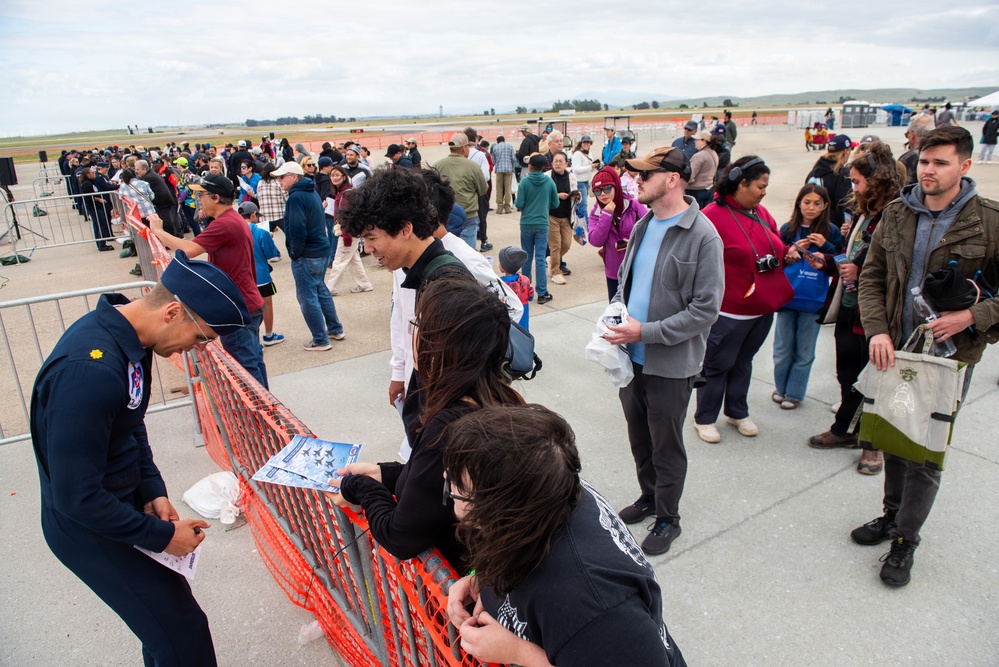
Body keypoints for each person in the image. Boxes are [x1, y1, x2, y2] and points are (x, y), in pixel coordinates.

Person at [30, 250, 250, 666]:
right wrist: (162, 537)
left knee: (170, 628)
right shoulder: (91, 369)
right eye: (200, 337)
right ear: (172, 312)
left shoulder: (129, 339)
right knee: (180, 634)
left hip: (118, 506)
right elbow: (76, 497)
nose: (194, 351)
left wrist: (151, 488)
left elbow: (130, 421)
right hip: (89, 529)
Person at [851, 125, 999, 586]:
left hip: (949, 357)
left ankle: (906, 539)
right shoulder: (898, 213)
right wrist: (877, 331)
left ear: (965, 166)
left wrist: (971, 316)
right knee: (895, 436)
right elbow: (873, 275)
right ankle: (891, 516)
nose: (928, 170)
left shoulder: (990, 221)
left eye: (940, 162)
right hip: (895, 349)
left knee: (925, 452)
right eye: (924, 161)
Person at [444, 405, 687, 667]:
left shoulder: (598, 609)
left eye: (458, 484)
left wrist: (519, 653)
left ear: (502, 508)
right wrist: (483, 580)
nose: (447, 480)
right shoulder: (554, 492)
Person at [329, 276, 524, 572]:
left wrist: (360, 487)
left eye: (417, 327)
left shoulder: (448, 428)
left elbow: (401, 536)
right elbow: (438, 489)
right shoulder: (504, 398)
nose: (413, 337)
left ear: (439, 347)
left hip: (466, 586)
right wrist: (386, 473)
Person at [603, 147, 723, 555]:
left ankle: (669, 517)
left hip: (670, 363)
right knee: (640, 436)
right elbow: (625, 281)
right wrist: (617, 316)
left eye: (644, 175)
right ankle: (649, 496)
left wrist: (646, 332)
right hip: (630, 357)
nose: (634, 181)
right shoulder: (645, 223)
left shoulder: (703, 236)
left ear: (672, 179)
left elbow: (705, 310)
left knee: (666, 442)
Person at [805, 141, 905, 476]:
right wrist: (830, 262)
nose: (854, 187)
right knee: (848, 373)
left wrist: (858, 272)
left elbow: (896, 269)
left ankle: (872, 445)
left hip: (876, 313)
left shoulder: (897, 216)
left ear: (877, 182)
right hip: (851, 305)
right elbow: (855, 256)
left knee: (875, 380)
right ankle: (844, 428)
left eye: (858, 182)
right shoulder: (865, 214)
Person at [694, 156, 800, 443]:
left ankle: (737, 411)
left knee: (744, 362)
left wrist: (787, 254)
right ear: (741, 183)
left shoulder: (762, 213)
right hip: (728, 312)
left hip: (762, 309)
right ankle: (704, 417)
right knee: (717, 365)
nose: (764, 191)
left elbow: (775, 247)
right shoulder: (711, 216)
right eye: (760, 186)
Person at [149, 174, 269, 388]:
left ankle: (259, 415)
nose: (198, 200)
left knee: (245, 369)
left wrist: (158, 231)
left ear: (215, 197)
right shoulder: (231, 220)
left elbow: (188, 250)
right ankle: (264, 412)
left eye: (201, 195)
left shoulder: (225, 224)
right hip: (246, 303)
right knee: (253, 362)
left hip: (238, 308)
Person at [771, 184, 841, 410]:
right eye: (807, 202)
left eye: (817, 203)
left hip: (814, 300)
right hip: (788, 296)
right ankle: (780, 389)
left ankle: (794, 394)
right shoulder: (788, 229)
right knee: (782, 348)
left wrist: (825, 246)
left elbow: (841, 261)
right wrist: (789, 254)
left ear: (825, 206)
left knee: (804, 350)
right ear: (799, 204)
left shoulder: (831, 231)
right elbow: (776, 257)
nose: (811, 208)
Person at [272, 160, 345, 351]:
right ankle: (335, 329)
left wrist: (295, 252)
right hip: (320, 250)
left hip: (307, 254)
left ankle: (320, 340)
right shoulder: (310, 192)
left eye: (281, 177)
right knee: (320, 290)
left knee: (307, 296)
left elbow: (296, 228)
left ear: (293, 177)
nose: (279, 181)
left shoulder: (296, 197)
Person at [587, 167, 648, 301]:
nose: (603, 194)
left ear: (616, 186)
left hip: (637, 269)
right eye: (597, 191)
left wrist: (633, 241)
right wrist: (606, 215)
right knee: (617, 313)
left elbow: (651, 231)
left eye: (607, 188)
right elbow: (595, 240)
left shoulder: (634, 206)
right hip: (614, 271)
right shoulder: (596, 213)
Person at [237, 202, 284, 346]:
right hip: (261, 276)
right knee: (266, 305)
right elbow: (271, 254)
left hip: (242, 276)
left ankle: (253, 341)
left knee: (246, 308)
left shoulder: (234, 231)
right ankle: (269, 336)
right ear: (253, 214)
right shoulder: (261, 232)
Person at [515, 154, 559, 305]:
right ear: (544, 167)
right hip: (542, 224)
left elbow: (519, 203)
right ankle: (542, 292)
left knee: (526, 257)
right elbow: (555, 203)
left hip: (527, 223)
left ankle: (526, 291)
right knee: (540, 259)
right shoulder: (549, 182)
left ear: (530, 167)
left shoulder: (525, 183)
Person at [435, 133, 488, 250]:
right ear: (464, 148)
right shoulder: (473, 166)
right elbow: (483, 189)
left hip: (446, 217)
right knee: (468, 256)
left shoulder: (438, 165)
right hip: (469, 215)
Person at [326, 166, 373, 296]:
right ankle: (364, 284)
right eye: (332, 175)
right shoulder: (345, 192)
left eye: (337, 175)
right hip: (351, 231)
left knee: (339, 260)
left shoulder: (346, 193)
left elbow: (347, 215)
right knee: (353, 259)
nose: (334, 178)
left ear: (344, 177)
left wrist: (346, 234)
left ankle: (330, 288)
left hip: (348, 232)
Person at [805, 133, 854, 231]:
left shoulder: (814, 171)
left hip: (812, 226)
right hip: (832, 230)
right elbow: (844, 206)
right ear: (846, 151)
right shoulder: (841, 174)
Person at [546, 153, 577, 286]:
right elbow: (544, 194)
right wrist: (557, 196)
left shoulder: (571, 177)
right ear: (552, 163)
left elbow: (575, 193)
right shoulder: (547, 177)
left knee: (566, 244)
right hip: (551, 215)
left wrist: (576, 195)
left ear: (566, 163)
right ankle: (556, 272)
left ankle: (551, 260)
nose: (558, 164)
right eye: (555, 161)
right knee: (556, 245)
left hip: (566, 216)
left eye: (561, 161)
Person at [78, 165, 114, 251]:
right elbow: (88, 197)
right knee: (101, 225)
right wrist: (99, 199)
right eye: (92, 173)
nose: (94, 174)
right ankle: (101, 244)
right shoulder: (87, 184)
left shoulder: (91, 182)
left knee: (98, 225)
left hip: (97, 207)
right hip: (94, 208)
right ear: (88, 175)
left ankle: (101, 243)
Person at [498, 245, 533, 331]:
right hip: (523, 320)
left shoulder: (501, 283)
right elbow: (531, 296)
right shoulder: (525, 280)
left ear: (504, 267)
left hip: (508, 318)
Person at [685, 131, 718, 208]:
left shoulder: (699, 156)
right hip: (709, 188)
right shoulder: (714, 153)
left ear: (704, 141)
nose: (695, 141)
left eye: (697, 140)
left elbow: (690, 177)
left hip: (696, 191)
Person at [570, 134, 596, 227]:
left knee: (579, 205)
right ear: (581, 143)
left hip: (586, 182)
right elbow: (576, 169)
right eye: (584, 142)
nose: (586, 144)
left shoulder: (590, 153)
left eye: (588, 142)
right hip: (579, 182)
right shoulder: (577, 154)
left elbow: (589, 169)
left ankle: (577, 222)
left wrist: (594, 167)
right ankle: (586, 224)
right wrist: (590, 166)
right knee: (583, 205)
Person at [490, 135, 517, 214]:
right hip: (508, 169)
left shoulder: (495, 148)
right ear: (504, 140)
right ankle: (507, 207)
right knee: (507, 189)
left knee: (499, 189)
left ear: (497, 141)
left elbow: (493, 161)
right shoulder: (510, 146)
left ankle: (499, 207)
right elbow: (513, 159)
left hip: (499, 170)